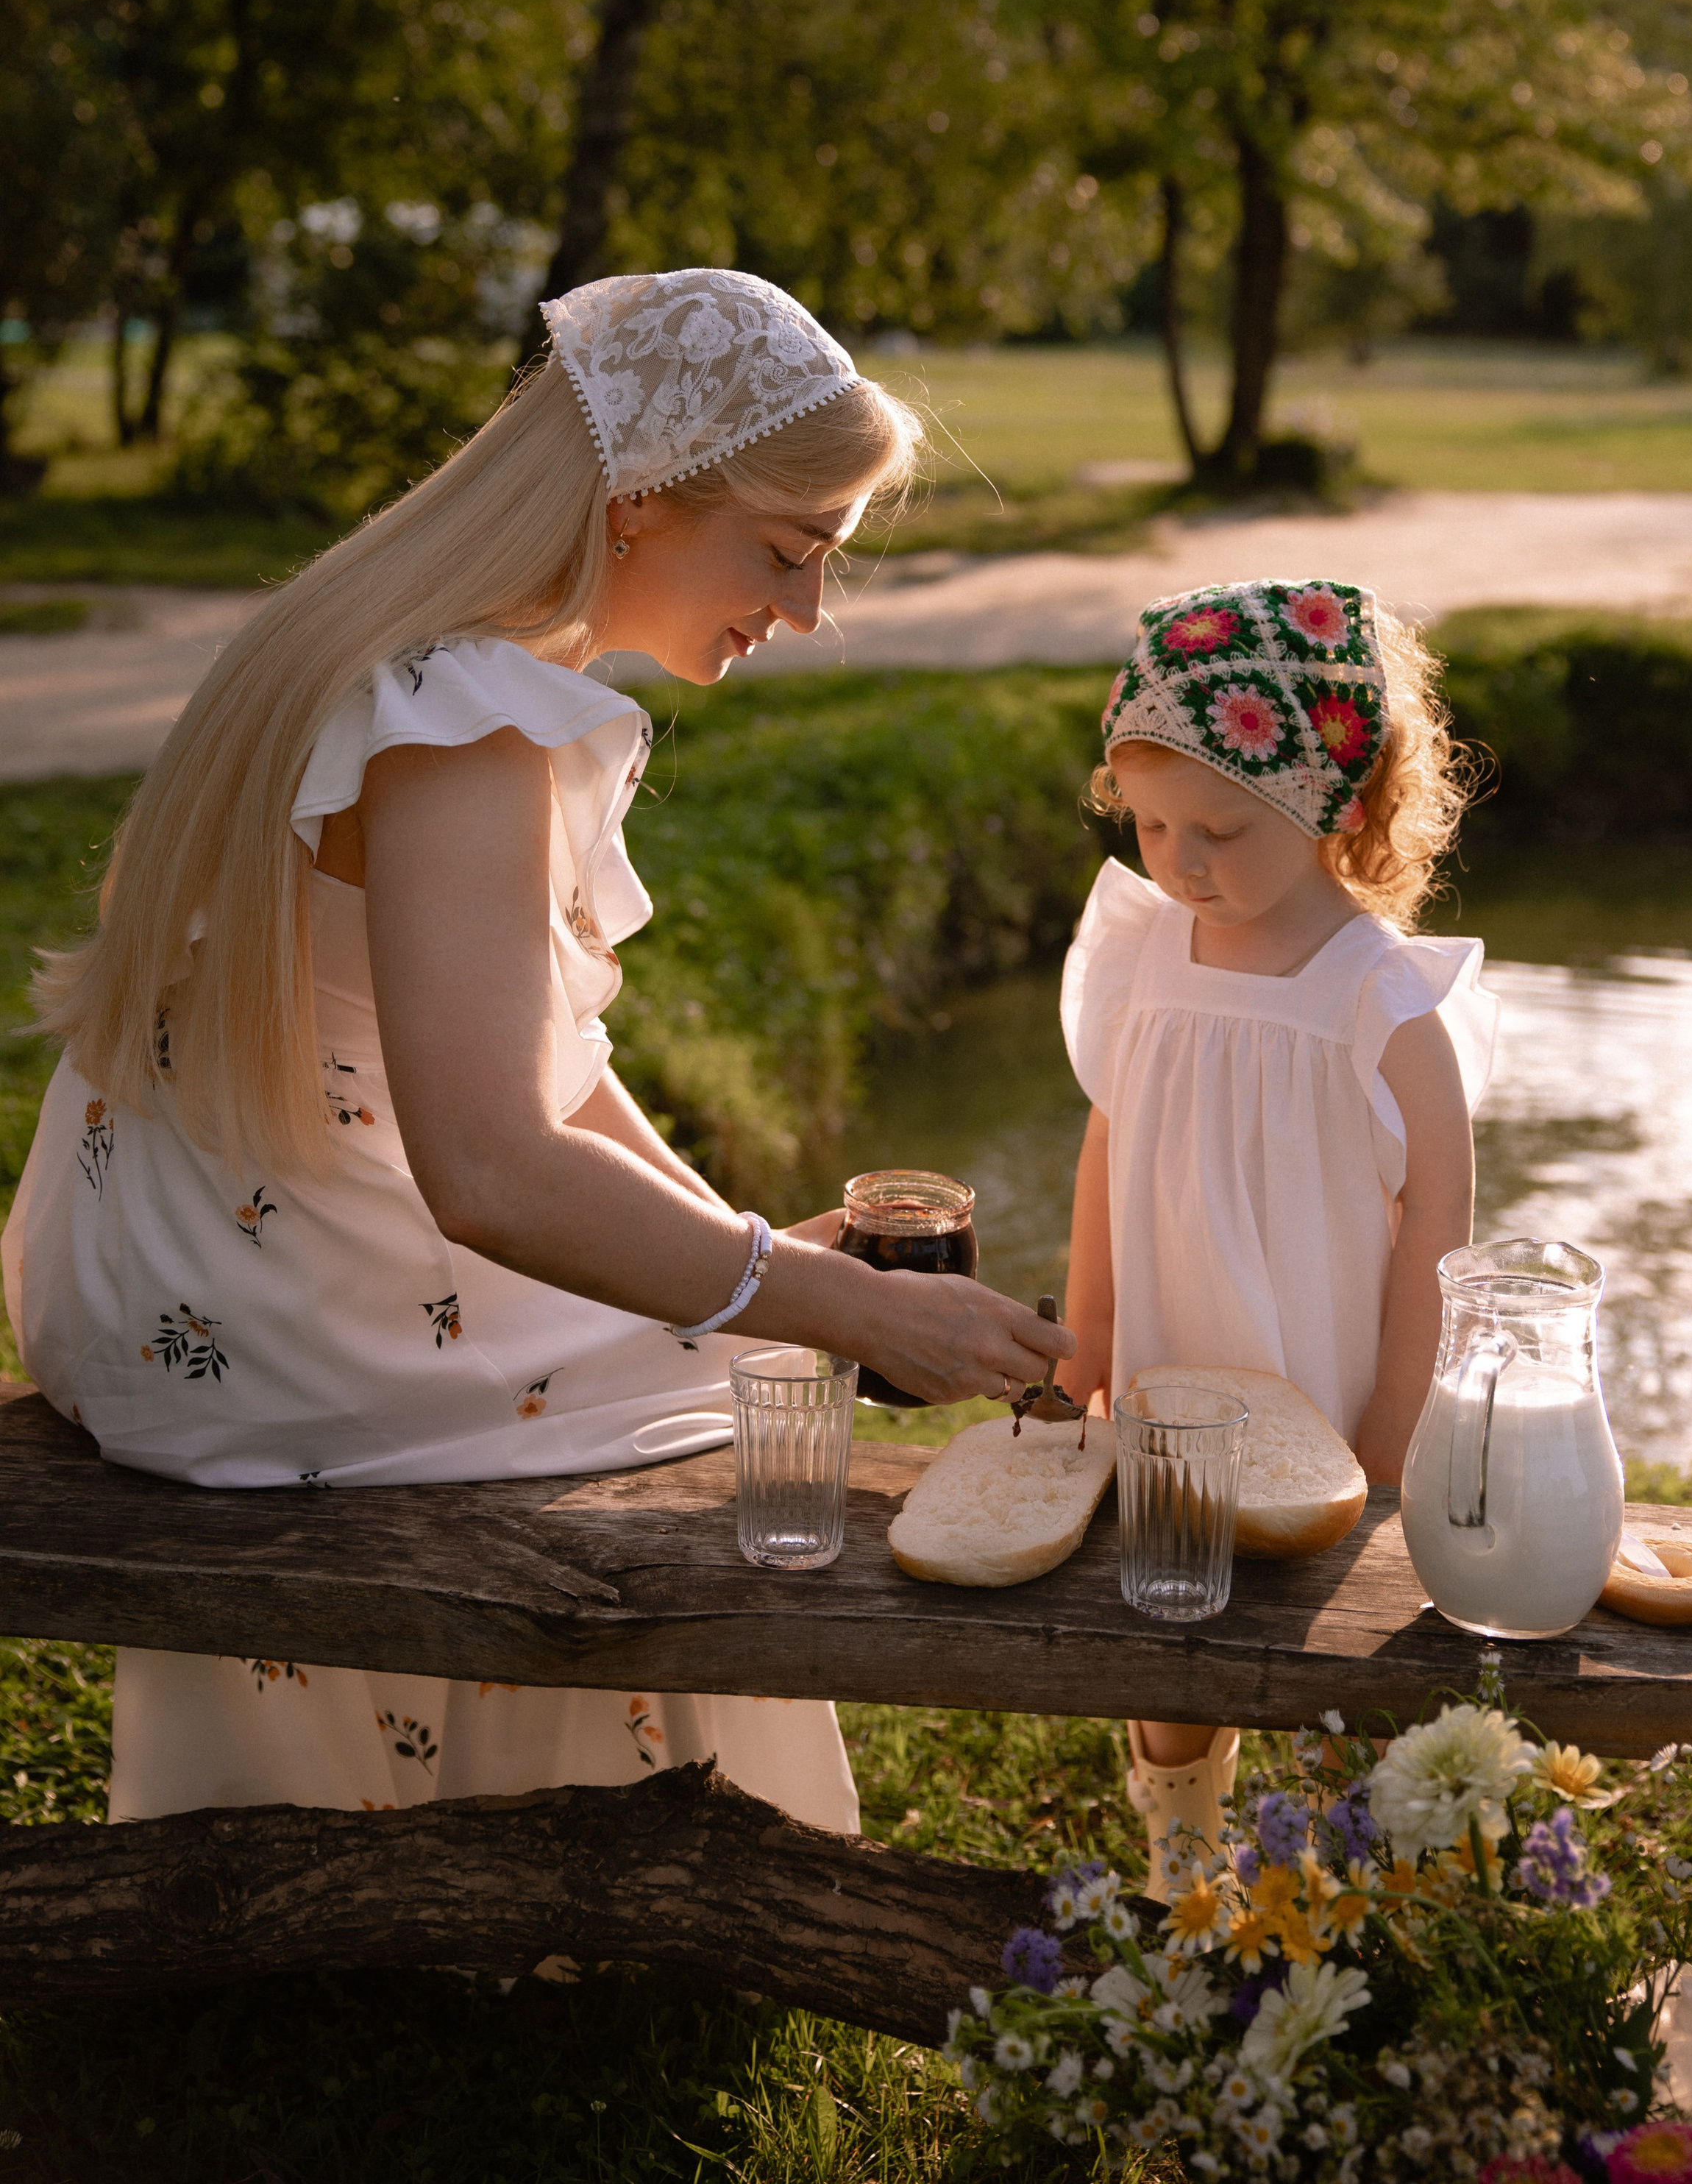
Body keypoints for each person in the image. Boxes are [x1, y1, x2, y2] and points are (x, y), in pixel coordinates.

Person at [2, 266, 1071, 1830]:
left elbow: (549, 1061)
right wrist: (834, 1301)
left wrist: (750, 1251)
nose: (802, 611)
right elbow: (495, 1173)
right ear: (640, 497)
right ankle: (637, 1860)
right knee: (742, 1388)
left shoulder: (406, 648)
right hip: (268, 1307)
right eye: (788, 551)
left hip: (168, 1266)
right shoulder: (467, 717)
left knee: (732, 1320)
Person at [1056, 579, 1497, 1893]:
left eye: (1222, 829)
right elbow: (1104, 1149)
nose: (1179, 861)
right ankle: (1182, 1863)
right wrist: (1085, 1344)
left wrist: (1393, 1428)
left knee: (1336, 1643)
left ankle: (1354, 1882)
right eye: (1150, 823)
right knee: (1170, 1634)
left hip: (1329, 1386)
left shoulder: (1383, 998)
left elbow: (1438, 1223)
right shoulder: (1142, 953)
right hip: (1171, 1366)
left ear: (1336, 803)